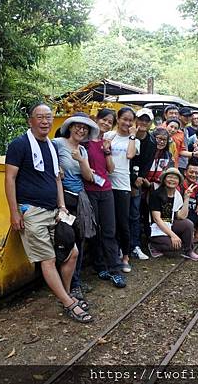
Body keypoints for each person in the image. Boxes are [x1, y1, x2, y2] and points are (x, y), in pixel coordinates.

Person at [5, 103, 92, 323]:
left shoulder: (51, 147)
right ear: (30, 120)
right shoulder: (19, 145)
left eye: (48, 117)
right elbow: (10, 179)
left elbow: (56, 178)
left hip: (54, 209)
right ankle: (69, 302)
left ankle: (64, 294)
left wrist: (62, 206)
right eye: (40, 117)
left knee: (72, 252)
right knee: (48, 258)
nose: (45, 121)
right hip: (32, 210)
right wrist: (14, 212)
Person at [53, 113, 98, 304]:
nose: (81, 130)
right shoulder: (57, 144)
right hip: (62, 199)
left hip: (79, 200)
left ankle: (75, 282)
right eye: (78, 127)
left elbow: (89, 177)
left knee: (79, 241)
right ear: (70, 128)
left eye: (85, 128)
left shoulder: (83, 151)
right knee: (66, 241)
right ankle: (65, 285)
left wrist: (81, 159)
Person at [84, 108, 126, 288]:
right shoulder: (84, 142)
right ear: (96, 119)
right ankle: (99, 265)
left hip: (106, 190)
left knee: (109, 230)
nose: (106, 123)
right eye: (104, 120)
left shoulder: (105, 143)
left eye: (110, 122)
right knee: (94, 230)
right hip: (89, 190)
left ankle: (115, 270)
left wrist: (108, 152)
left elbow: (110, 169)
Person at [105, 107, 140, 273]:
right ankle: (111, 256)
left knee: (123, 223)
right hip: (106, 184)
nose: (127, 123)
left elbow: (130, 155)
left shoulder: (134, 140)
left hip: (122, 185)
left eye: (130, 120)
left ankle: (125, 256)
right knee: (108, 225)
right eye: (124, 119)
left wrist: (132, 135)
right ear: (117, 119)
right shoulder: (108, 136)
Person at [148, 168, 198, 260]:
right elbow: (157, 219)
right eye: (169, 177)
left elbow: (181, 216)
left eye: (175, 178)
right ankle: (153, 245)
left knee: (188, 224)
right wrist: (173, 235)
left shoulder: (177, 195)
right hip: (156, 227)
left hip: (170, 223)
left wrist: (186, 198)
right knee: (175, 247)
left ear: (179, 181)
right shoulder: (156, 194)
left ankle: (188, 251)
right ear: (164, 179)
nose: (172, 180)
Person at [129, 108, 155, 261]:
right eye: (141, 119)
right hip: (122, 178)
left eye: (147, 120)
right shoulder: (127, 136)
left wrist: (139, 179)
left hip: (137, 181)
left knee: (134, 213)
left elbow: (147, 163)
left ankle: (135, 245)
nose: (143, 123)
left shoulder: (151, 142)